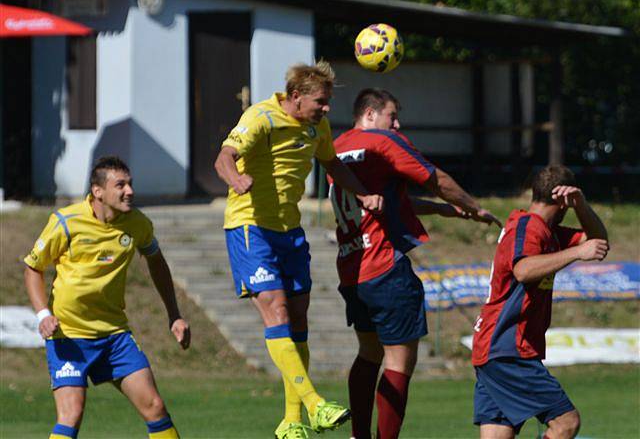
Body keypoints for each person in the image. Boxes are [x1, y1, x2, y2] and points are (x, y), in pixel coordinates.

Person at [214, 62, 383, 439]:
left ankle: (291, 422)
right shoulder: (260, 117)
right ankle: (313, 403)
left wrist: (364, 193)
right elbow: (223, 157)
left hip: (290, 232)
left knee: (298, 320)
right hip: (250, 227)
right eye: (320, 103)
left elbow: (332, 164)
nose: (326, 110)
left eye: (327, 103)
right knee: (275, 310)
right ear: (295, 97)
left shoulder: (316, 126)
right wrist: (236, 178)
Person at [327, 88, 502, 439]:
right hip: (385, 267)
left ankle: (358, 435)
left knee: (369, 352)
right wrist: (472, 206)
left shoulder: (338, 147)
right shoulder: (383, 142)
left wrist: (440, 210)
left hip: (352, 268)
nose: (398, 123)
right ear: (371, 115)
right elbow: (436, 179)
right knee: (400, 360)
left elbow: (383, 202)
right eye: (392, 115)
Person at [24, 156, 191, 439]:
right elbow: (33, 268)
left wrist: (174, 314)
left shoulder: (138, 224)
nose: (130, 191)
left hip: (114, 336)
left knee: (155, 406)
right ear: (98, 191)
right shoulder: (66, 221)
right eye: (121, 185)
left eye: (130, 184)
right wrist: (43, 315)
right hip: (69, 337)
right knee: (71, 414)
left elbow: (157, 263)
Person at [471, 165, 609, 439]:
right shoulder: (528, 227)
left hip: (494, 349)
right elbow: (523, 270)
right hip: (507, 347)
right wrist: (577, 253)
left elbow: (599, 241)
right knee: (566, 423)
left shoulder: (549, 231)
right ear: (561, 201)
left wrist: (582, 206)